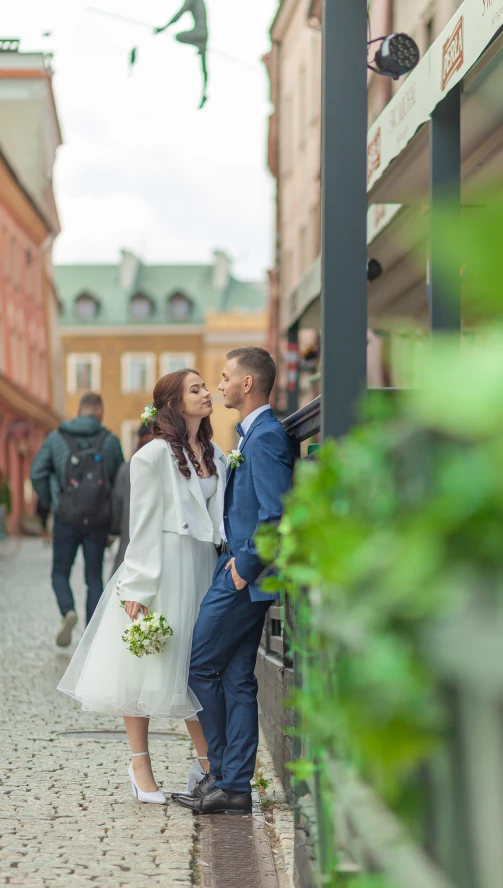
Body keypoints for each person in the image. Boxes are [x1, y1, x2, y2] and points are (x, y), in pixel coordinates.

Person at [57, 370, 227, 805]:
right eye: (196, 389)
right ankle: (140, 766)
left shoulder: (216, 454)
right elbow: (144, 525)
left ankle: (209, 766)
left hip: (203, 567)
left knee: (194, 667)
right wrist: (137, 587)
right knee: (145, 664)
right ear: (173, 403)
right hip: (162, 567)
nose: (207, 393)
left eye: (206, 387)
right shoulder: (150, 456)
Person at [173, 347, 295, 816]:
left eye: (225, 378)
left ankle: (223, 774)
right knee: (238, 677)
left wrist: (244, 566)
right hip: (243, 570)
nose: (219, 385)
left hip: (245, 573)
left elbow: (276, 513)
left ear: (247, 384)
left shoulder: (263, 437)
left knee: (198, 664)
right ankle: (233, 788)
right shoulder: (252, 434)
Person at [30, 393, 124, 646]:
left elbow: (37, 471)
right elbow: (120, 484)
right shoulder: (110, 441)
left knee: (60, 571)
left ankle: (67, 611)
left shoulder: (57, 438)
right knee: (94, 577)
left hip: (66, 517)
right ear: (100, 413)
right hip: (98, 520)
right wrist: (113, 522)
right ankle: (91, 635)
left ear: (78, 412)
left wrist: (52, 502)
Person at [155, 0, 209, 108]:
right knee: (204, 68)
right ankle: (204, 93)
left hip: (199, 34)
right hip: (204, 34)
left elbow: (179, 14)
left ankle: (197, 44)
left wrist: (163, 28)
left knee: (178, 36)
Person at [110, 422, 154, 574]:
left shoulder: (127, 468)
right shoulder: (170, 466)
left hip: (129, 542)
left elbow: (117, 503)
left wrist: (114, 529)